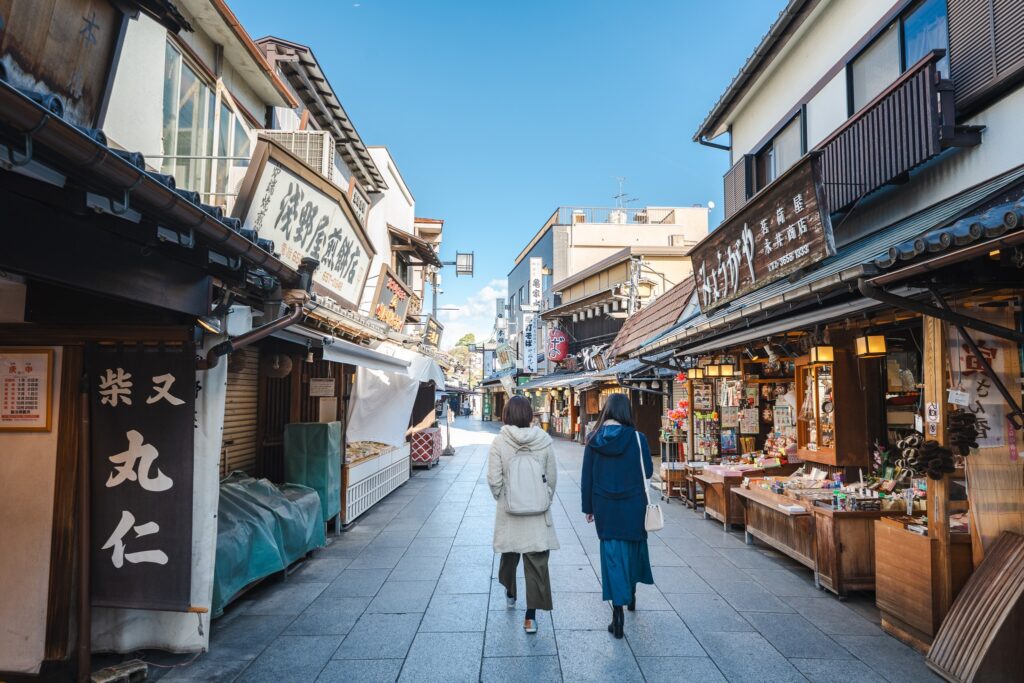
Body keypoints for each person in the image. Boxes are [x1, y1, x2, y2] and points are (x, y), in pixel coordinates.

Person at [581, 393, 654, 639]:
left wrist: (588, 507)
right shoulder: (637, 438)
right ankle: (630, 594)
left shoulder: (593, 439)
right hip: (633, 504)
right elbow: (649, 470)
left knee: (612, 555)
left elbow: (586, 478)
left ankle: (618, 613)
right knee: (632, 549)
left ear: (606, 411)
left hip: (605, 506)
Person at [487, 395, 559, 634]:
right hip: (537, 512)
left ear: (506, 414)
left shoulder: (500, 442)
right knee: (537, 561)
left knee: (509, 554)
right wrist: (543, 498)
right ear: (530, 415)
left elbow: (494, 479)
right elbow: (552, 477)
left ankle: (510, 591)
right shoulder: (544, 440)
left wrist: (504, 497)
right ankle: (530, 617)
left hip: (510, 511)